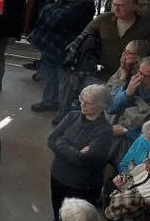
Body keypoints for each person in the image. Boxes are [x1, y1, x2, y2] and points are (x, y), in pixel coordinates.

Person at [29, 0, 97, 115]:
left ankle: (62, 112)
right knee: (48, 76)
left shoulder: (86, 4)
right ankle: (48, 101)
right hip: (50, 45)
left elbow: (61, 21)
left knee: (64, 83)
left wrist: (51, 13)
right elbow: (43, 9)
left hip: (66, 49)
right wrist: (52, 13)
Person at [48, 84, 114, 219]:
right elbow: (51, 139)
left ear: (100, 106)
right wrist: (76, 151)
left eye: (87, 102)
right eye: (81, 99)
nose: (82, 104)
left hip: (81, 187)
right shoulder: (72, 116)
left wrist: (62, 143)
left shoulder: (104, 131)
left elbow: (84, 159)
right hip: (57, 177)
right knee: (58, 214)